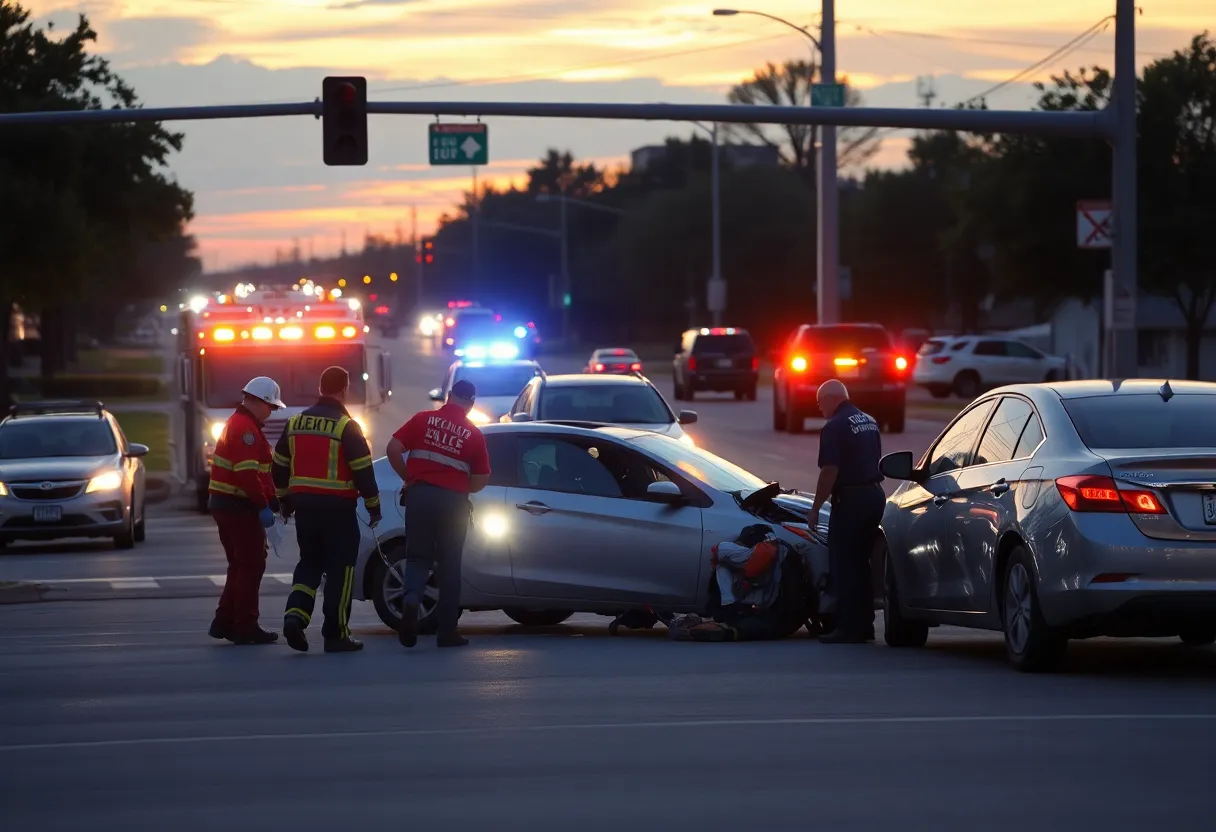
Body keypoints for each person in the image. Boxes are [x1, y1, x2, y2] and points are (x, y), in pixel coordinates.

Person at [273, 366, 381, 654]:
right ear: (344, 389)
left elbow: (279, 465)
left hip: (305, 511)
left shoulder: (294, 423)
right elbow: (363, 471)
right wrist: (374, 508)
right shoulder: (346, 426)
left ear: (321, 388)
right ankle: (336, 634)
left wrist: (284, 501)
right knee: (340, 571)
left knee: (309, 564)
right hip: (338, 512)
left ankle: (295, 616)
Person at [386, 379, 490, 649]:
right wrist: (458, 487)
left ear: (449, 396)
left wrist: (409, 478)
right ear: (470, 403)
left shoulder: (422, 419)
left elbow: (393, 449)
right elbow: (480, 480)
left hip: (419, 497)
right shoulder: (473, 434)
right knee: (449, 564)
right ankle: (447, 633)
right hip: (453, 502)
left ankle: (411, 600)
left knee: (418, 557)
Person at [207, 376, 285, 645]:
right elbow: (247, 475)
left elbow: (259, 473)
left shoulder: (241, 424)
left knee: (239, 566)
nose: (272, 412)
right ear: (260, 402)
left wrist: (272, 499)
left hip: (229, 504)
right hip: (239, 507)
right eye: (271, 407)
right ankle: (245, 625)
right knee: (252, 565)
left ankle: (225, 620)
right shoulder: (246, 430)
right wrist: (263, 506)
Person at [807, 379, 885, 644]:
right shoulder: (870, 420)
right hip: (874, 495)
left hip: (852, 499)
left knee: (844, 563)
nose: (820, 410)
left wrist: (816, 508)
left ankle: (848, 627)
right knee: (862, 563)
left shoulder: (834, 426)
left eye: (820, 404)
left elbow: (830, 470)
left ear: (830, 398)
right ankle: (864, 625)